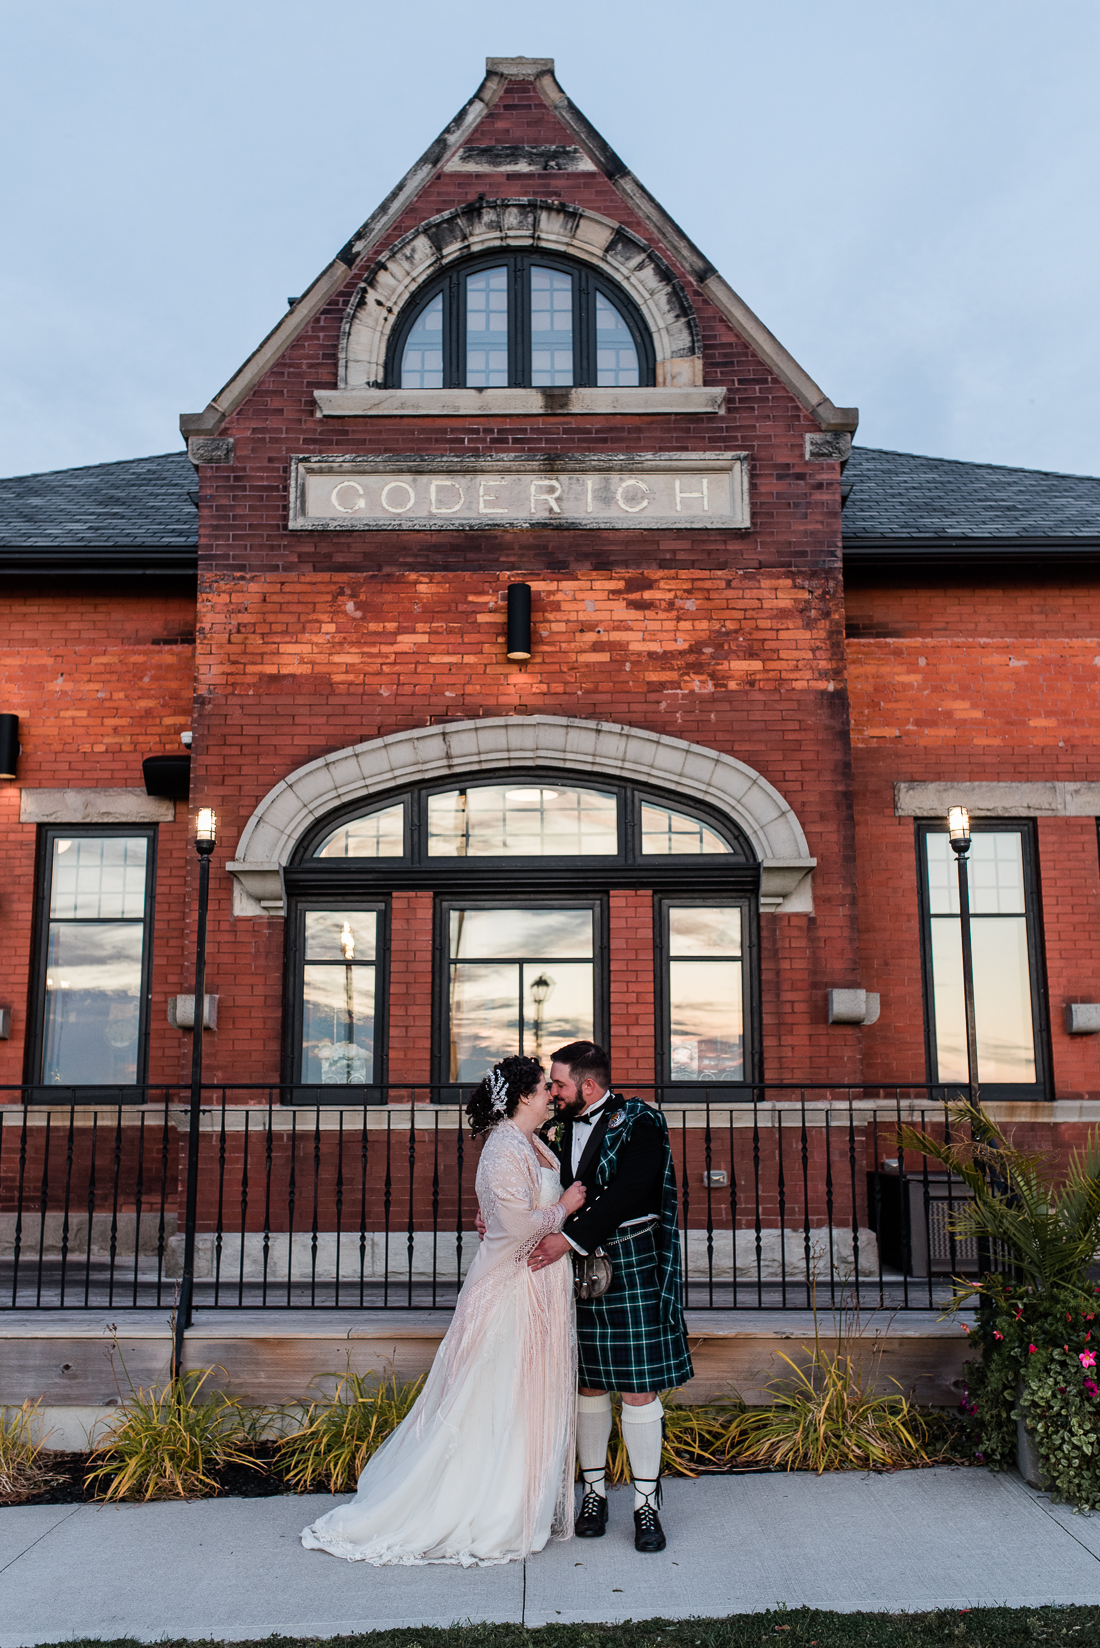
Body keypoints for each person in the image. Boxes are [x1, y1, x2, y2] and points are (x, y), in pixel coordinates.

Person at [301, 1055, 584, 1567]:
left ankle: (518, 1499)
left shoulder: (535, 1143)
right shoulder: (504, 1146)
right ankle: (484, 1506)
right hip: (510, 1292)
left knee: (524, 1393)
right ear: (524, 1097)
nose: (551, 1094)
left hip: (537, 1285)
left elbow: (504, 1213)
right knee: (495, 1395)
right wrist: (565, 1207)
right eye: (545, 1087)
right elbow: (519, 1224)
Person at [528, 1041, 693, 1554]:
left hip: (628, 1261)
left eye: (558, 1084)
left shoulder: (640, 1120)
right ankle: (594, 1494)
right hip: (570, 1269)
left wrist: (567, 1239)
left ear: (589, 1086)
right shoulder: (555, 1127)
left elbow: (630, 1191)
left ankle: (646, 1503)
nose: (551, 1092)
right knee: (588, 1385)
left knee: (638, 1389)